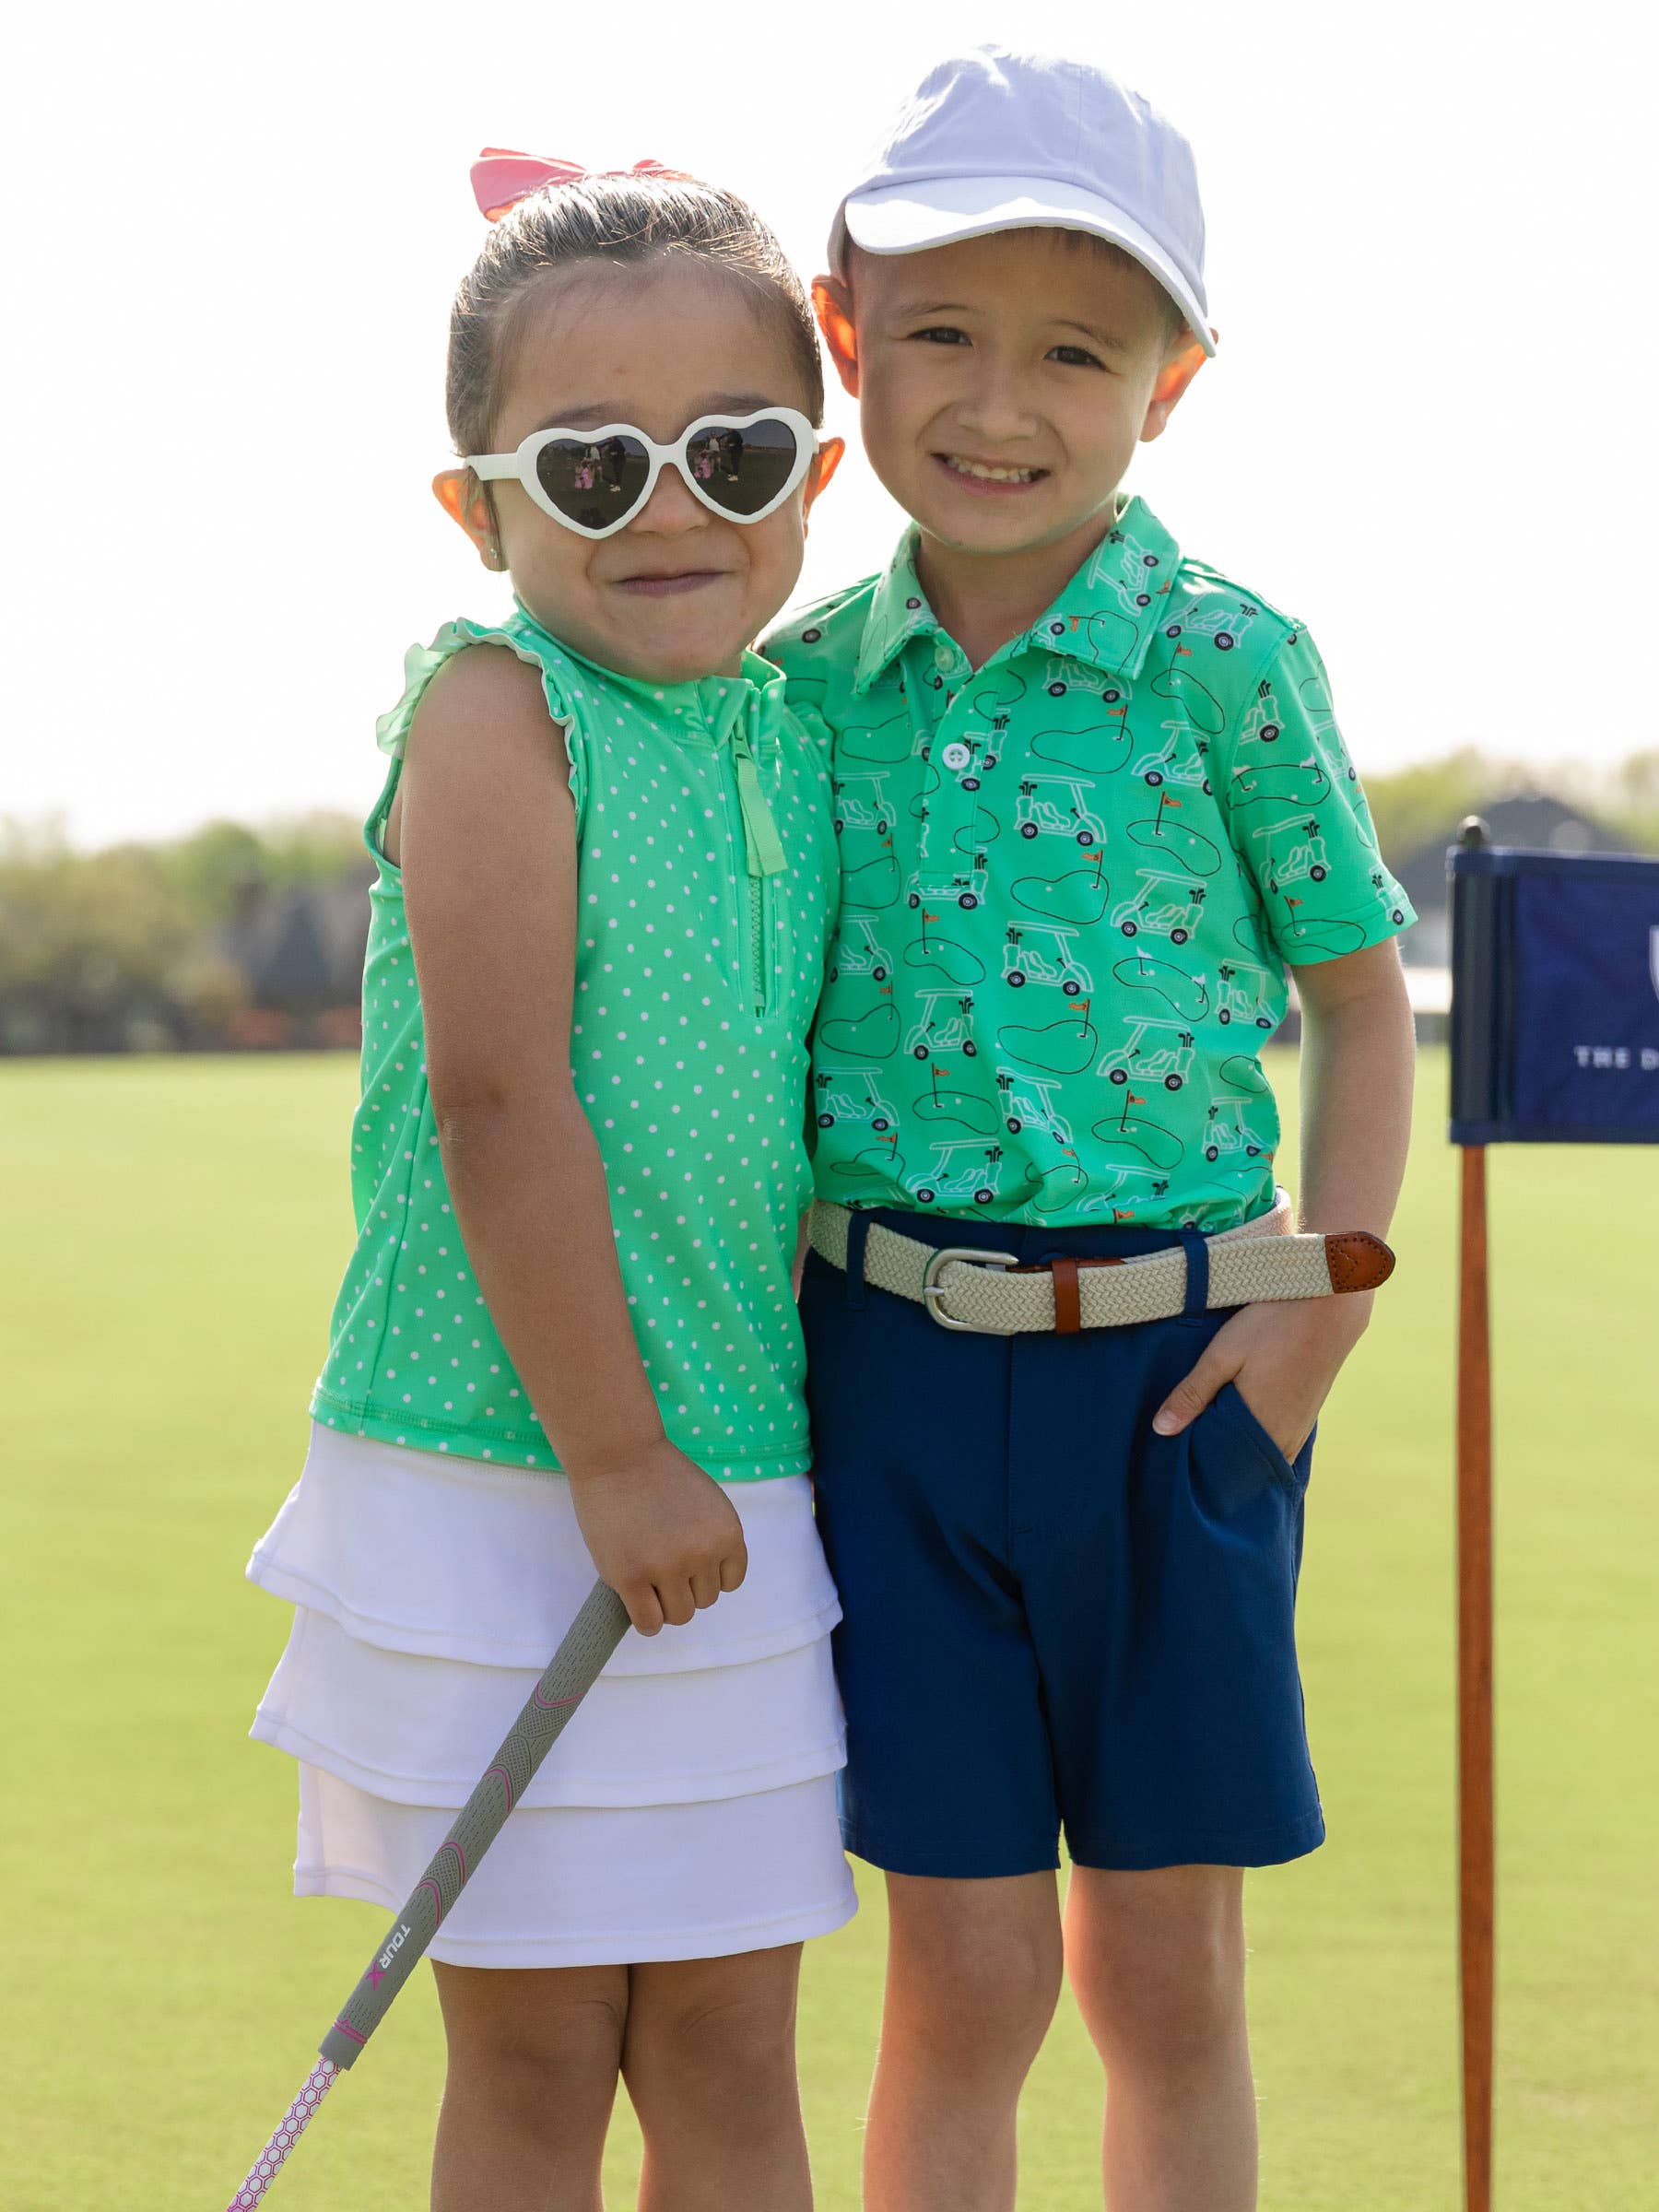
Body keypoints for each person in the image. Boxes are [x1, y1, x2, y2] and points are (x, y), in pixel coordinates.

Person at [766, 47, 1418, 2212]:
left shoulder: (1229, 661)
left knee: (1165, 1973)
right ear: (845, 335)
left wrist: (1320, 1318)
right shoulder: (794, 691)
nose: (998, 404)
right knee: (960, 1980)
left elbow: (1360, 1003)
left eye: (1075, 351)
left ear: (1174, 382)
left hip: (1184, 1375)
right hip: (888, 1377)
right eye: (940, 333)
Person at [245, 156, 853, 2212]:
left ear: (815, 474)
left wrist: (685, 1463)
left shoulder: (791, 728)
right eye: (593, 468)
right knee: (535, 2054)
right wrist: (616, 1456)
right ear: (479, 508)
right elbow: (500, 1101)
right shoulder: (495, 709)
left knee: (735, 2051)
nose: (670, 508)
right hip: (516, 1477)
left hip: (739, 1476)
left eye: (732, 452)